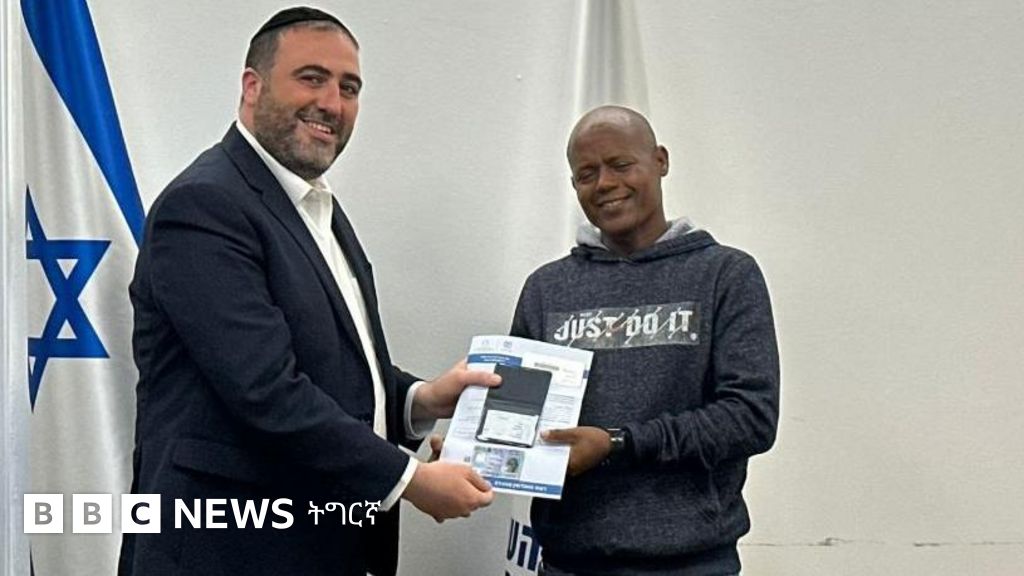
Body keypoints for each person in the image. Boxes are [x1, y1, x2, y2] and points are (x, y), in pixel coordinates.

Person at [118, 7, 498, 576]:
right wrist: (412, 479)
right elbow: (266, 390)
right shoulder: (204, 205)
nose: (332, 103)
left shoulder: (316, 207)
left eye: (349, 88)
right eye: (311, 78)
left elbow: (326, 367)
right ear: (252, 86)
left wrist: (421, 400)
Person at [511, 105, 780, 576]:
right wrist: (470, 448)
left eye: (620, 165)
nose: (605, 183)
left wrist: (619, 444)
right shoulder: (546, 289)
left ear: (660, 161)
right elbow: (520, 416)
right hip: (568, 563)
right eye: (586, 174)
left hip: (692, 564)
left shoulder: (726, 275)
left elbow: (750, 417)